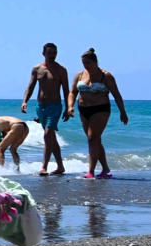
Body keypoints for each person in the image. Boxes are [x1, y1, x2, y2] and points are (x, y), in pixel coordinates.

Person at [68, 48, 128, 178]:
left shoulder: (105, 76)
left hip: (100, 109)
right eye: (83, 63)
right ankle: (105, 169)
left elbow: (116, 95)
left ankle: (90, 171)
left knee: (92, 139)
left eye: (88, 63)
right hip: (83, 109)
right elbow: (72, 92)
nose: (85, 66)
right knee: (95, 140)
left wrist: (123, 112)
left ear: (95, 62)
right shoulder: (79, 75)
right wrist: (70, 106)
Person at [20, 43, 72, 175]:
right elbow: (30, 86)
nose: (52, 55)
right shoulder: (37, 69)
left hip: (55, 106)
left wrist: (68, 107)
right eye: (49, 53)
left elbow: (66, 91)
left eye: (54, 53)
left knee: (48, 134)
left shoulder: (61, 70)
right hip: (40, 107)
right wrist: (25, 101)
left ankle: (44, 167)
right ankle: (60, 166)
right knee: (51, 138)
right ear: (43, 53)